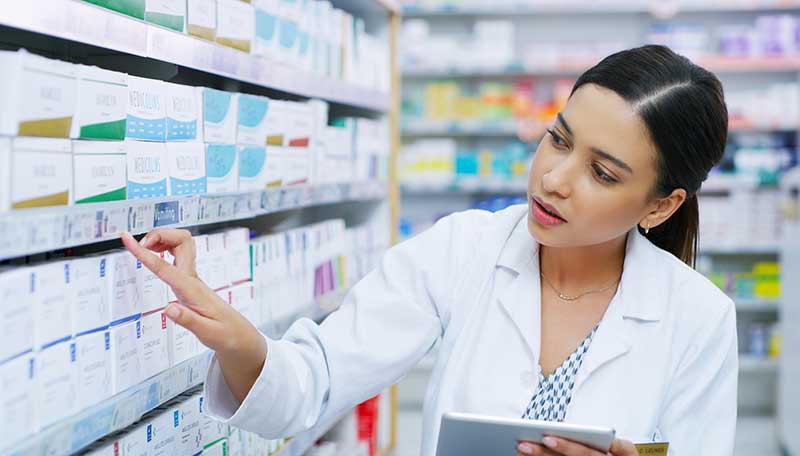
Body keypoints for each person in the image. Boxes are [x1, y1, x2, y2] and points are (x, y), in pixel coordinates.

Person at [121, 45, 738, 456]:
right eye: (558, 139)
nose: (554, 178)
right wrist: (239, 340)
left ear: (661, 206)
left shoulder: (698, 316)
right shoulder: (463, 249)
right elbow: (317, 380)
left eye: (602, 174)